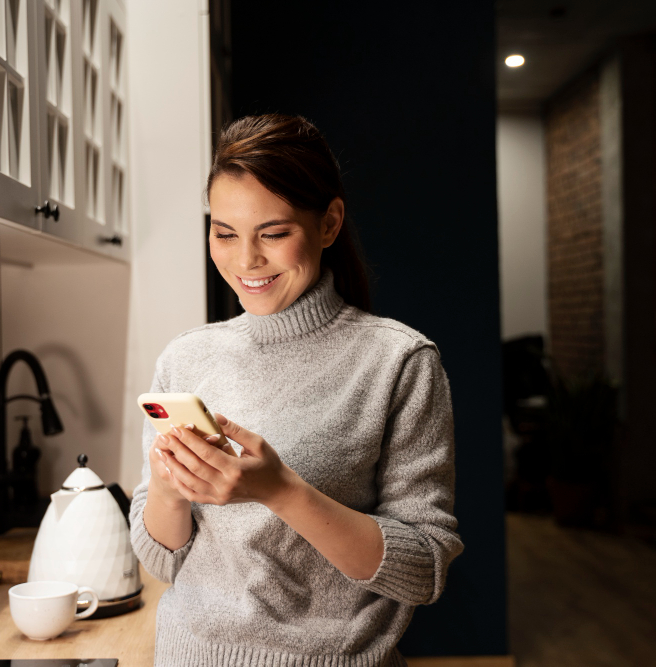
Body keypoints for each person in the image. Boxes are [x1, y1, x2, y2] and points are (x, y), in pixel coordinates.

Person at [128, 113, 464, 666]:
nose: (246, 260)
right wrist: (168, 490)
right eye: (224, 233)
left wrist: (281, 491)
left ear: (328, 224)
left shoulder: (399, 362)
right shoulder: (186, 357)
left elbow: (423, 570)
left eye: (274, 233)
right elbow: (161, 563)